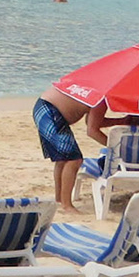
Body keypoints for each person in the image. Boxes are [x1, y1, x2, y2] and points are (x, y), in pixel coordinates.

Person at [32, 84, 110, 214]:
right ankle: (66, 205)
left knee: (63, 159)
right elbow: (92, 131)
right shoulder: (101, 97)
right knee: (74, 160)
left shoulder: (95, 88)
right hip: (51, 111)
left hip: (43, 106)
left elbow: (92, 122)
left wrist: (122, 121)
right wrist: (115, 148)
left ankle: (59, 200)